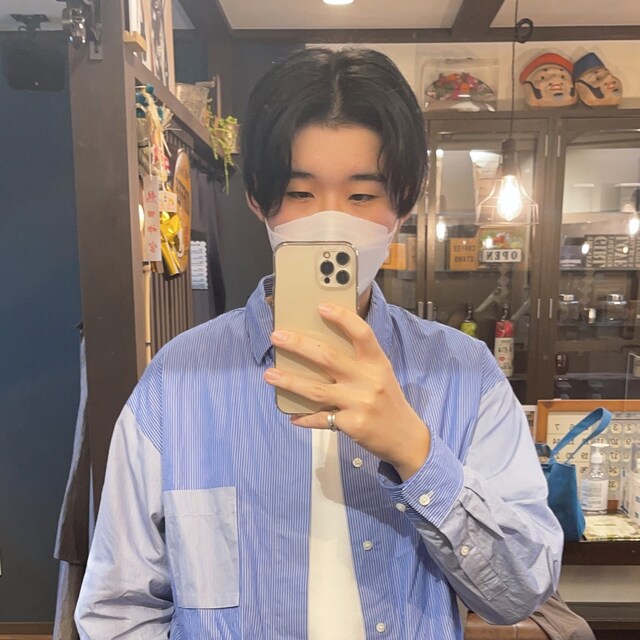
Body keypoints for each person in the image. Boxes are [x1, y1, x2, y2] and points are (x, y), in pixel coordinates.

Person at [75, 48, 563, 639]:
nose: (331, 222)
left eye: (361, 196)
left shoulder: (464, 374)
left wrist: (416, 452)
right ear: (258, 199)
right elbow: (118, 609)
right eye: (300, 193)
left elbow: (521, 591)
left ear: (403, 205)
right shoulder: (178, 380)